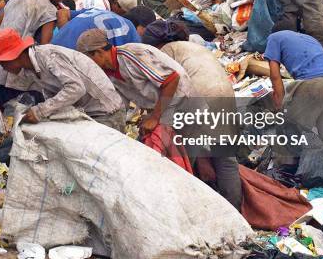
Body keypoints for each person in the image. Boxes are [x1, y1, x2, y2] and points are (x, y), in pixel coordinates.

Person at [77, 29, 242, 209]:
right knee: (197, 159)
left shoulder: (132, 55)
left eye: (89, 60)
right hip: (173, 109)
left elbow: (171, 79)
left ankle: (226, 212)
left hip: (184, 105)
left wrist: (155, 117)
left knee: (189, 164)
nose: (90, 66)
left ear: (99, 52)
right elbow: (123, 103)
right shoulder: (110, 72)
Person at [0, 29, 126, 130]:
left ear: (14, 56)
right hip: (87, 113)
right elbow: (54, 95)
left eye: (3, 63)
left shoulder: (49, 57)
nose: (4, 68)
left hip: (107, 114)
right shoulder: (30, 69)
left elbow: (76, 88)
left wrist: (41, 111)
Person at [264, 30, 323, 154]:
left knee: (289, 131)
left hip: (312, 83)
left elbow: (275, 75)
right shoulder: (309, 38)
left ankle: (284, 168)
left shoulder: (273, 38)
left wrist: (280, 103)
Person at [52, 7, 141, 50]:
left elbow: (61, 13)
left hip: (50, 48)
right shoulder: (131, 31)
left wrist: (66, 33)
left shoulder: (97, 10)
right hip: (70, 57)